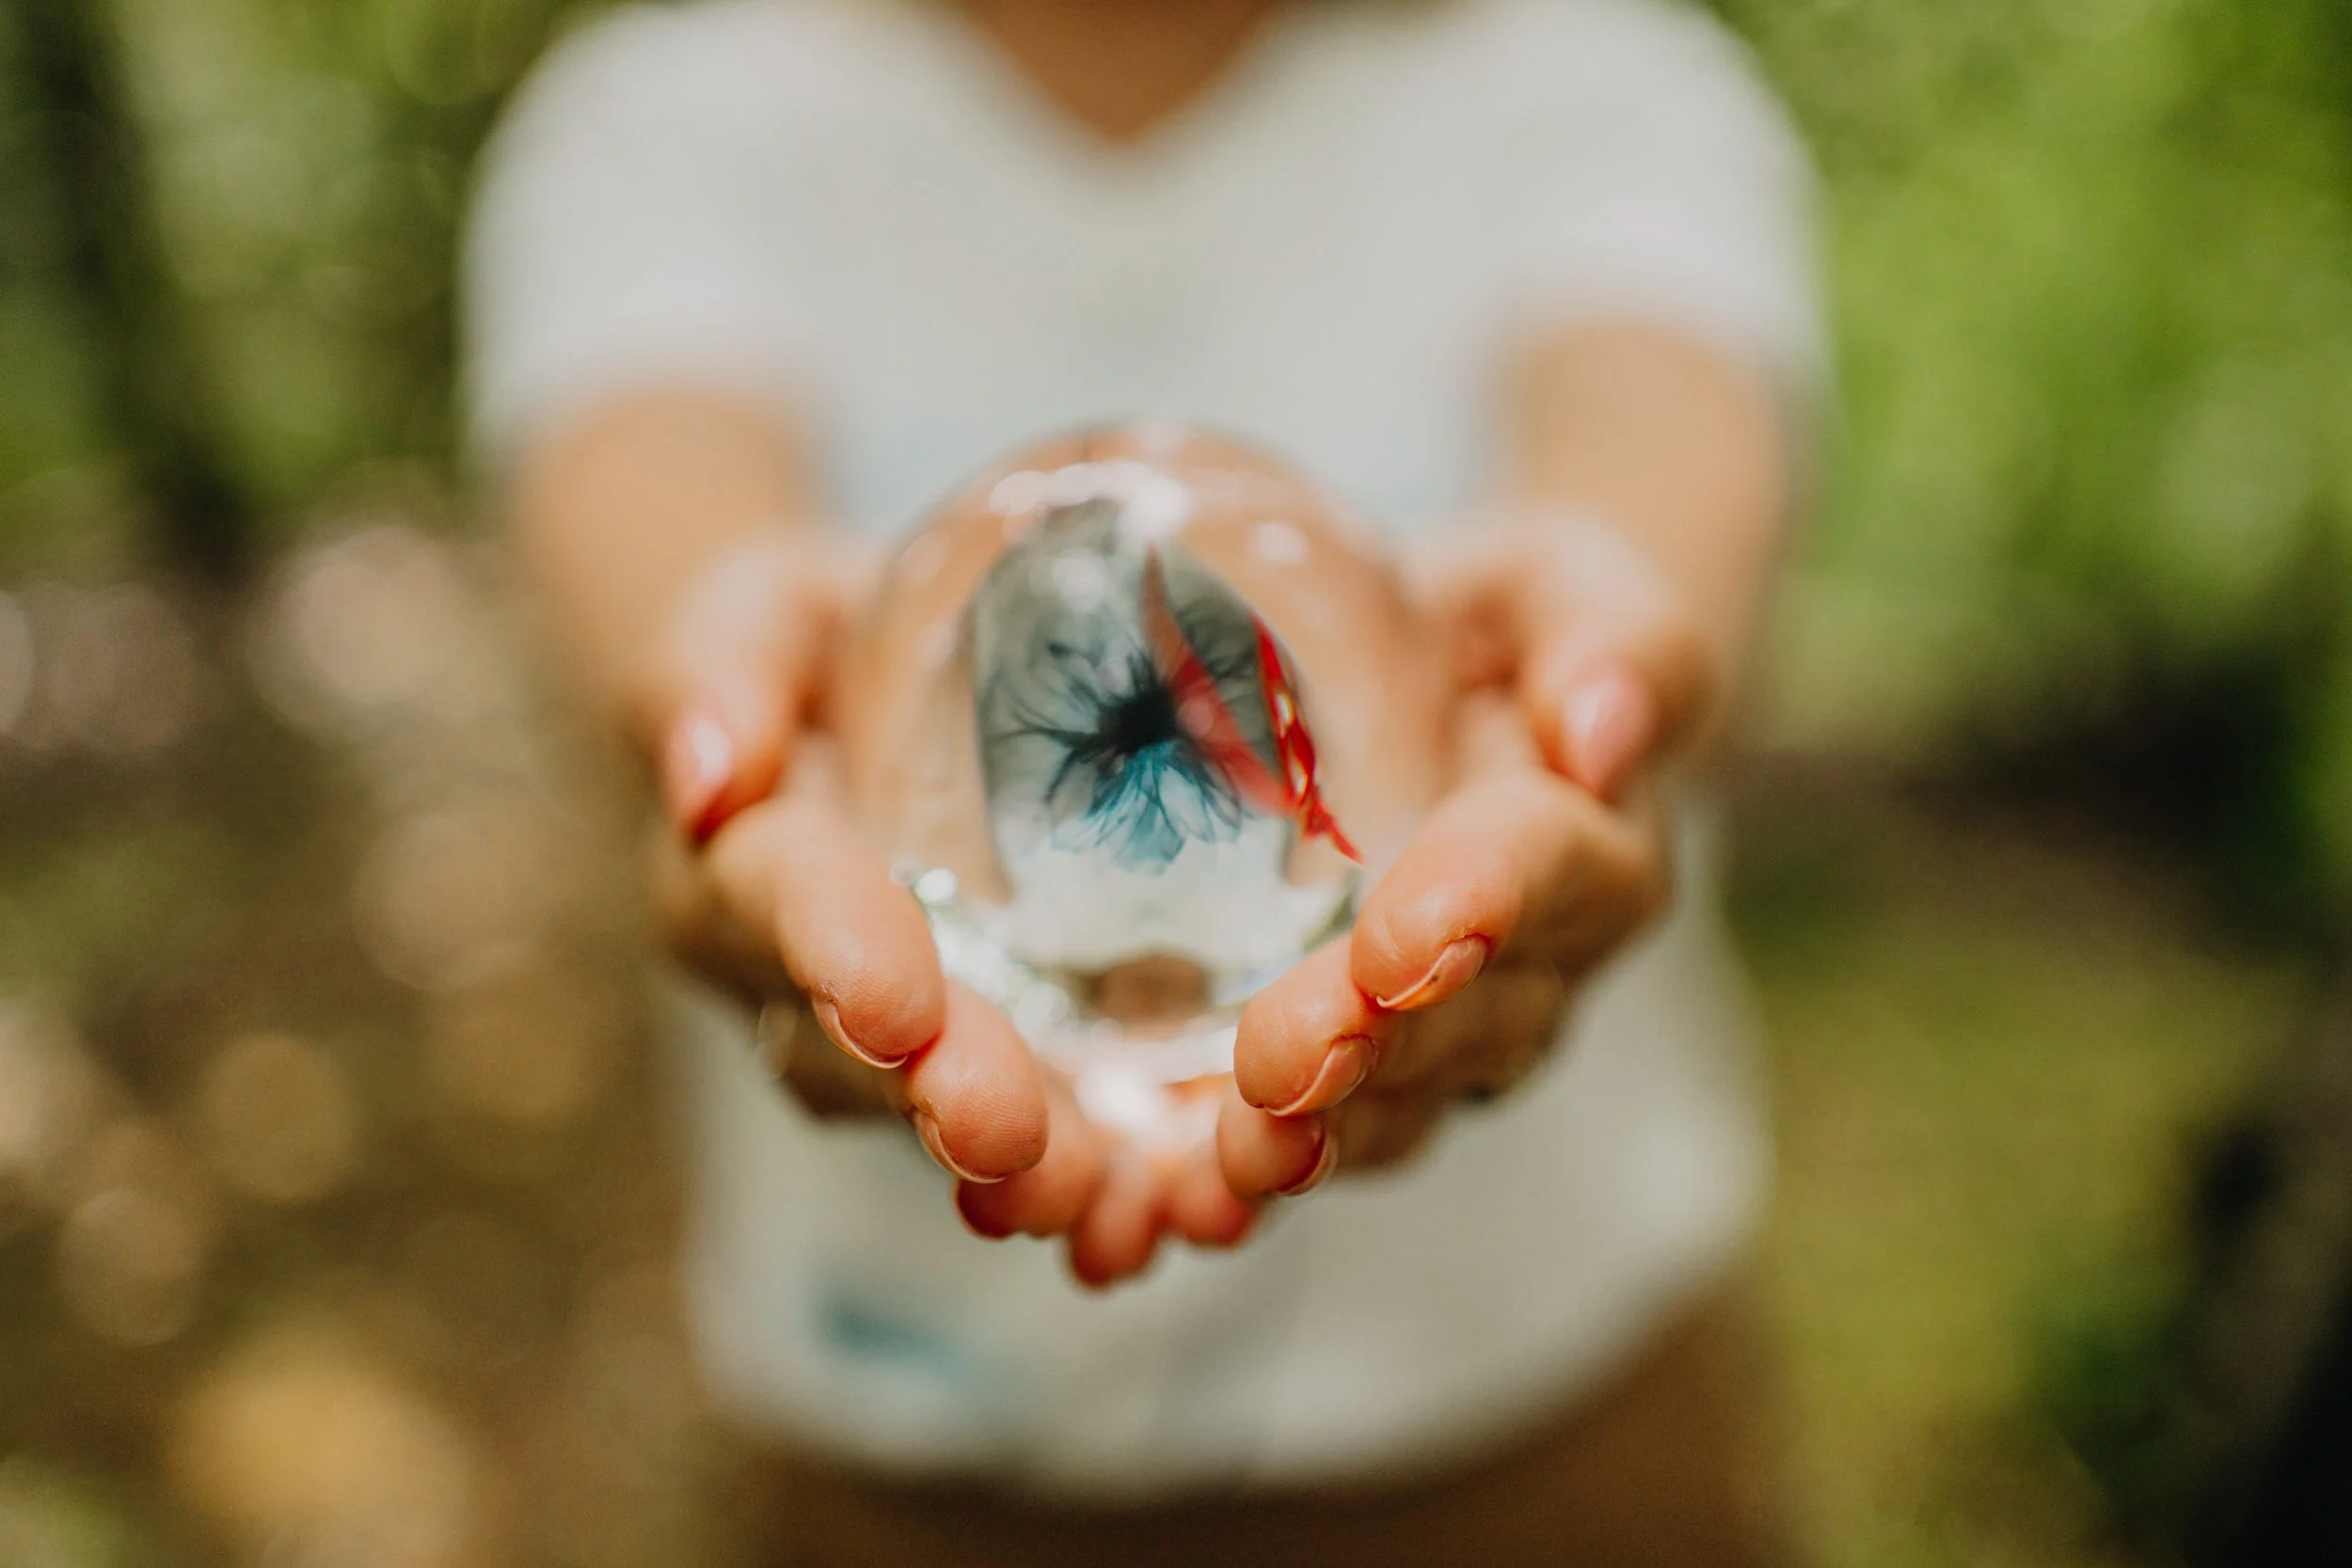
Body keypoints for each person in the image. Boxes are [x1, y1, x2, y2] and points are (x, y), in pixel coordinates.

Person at [465, 0, 1818, 1560]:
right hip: (905, 1460)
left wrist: (1598, 677)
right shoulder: (671, 117)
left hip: (1548, 1421)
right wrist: (725, 717)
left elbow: (1644, 495)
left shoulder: (1590, 77)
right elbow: (671, 560)